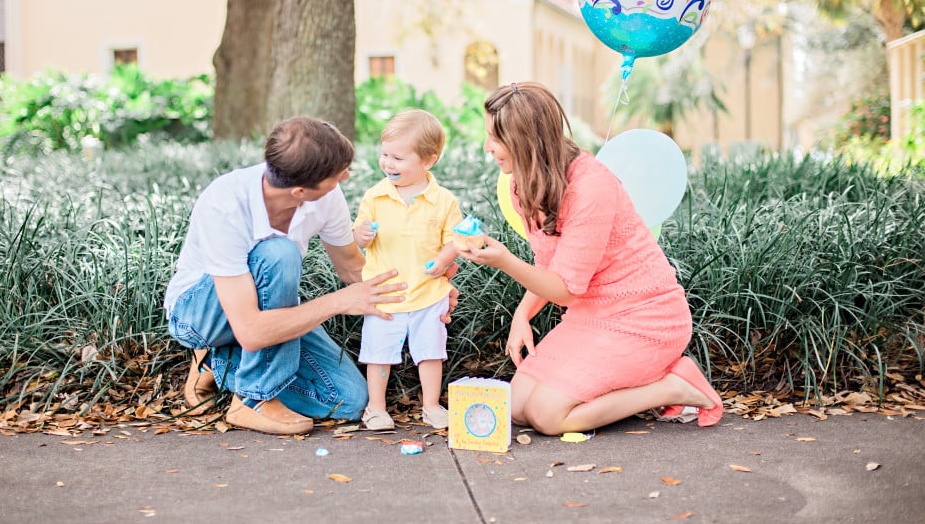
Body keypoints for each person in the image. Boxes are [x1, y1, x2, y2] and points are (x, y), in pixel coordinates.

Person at [455, 82, 723, 435]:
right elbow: (549, 265)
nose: (488, 148)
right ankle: (628, 386)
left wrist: (503, 260)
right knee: (518, 407)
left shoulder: (590, 186)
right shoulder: (524, 183)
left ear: (526, 140)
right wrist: (523, 314)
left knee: (548, 417)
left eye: (496, 138)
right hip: (590, 317)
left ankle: (672, 387)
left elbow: (564, 290)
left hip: (645, 318)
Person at [163, 117, 409, 435]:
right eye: (338, 175)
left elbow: (351, 266)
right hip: (201, 315)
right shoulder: (226, 205)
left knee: (347, 400)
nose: (346, 177)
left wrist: (419, 291)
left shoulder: (325, 196)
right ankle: (252, 399)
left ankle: (217, 363)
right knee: (279, 252)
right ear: (300, 191)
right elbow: (250, 330)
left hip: (264, 312)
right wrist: (338, 302)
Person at [353, 109, 463, 431]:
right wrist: (361, 235)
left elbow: (455, 240)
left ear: (428, 161)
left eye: (398, 158)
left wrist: (443, 260)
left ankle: (430, 405)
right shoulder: (375, 196)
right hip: (385, 293)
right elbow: (358, 231)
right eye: (384, 154)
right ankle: (376, 407)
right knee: (379, 353)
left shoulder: (443, 201)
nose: (388, 163)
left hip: (428, 292)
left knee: (431, 352)